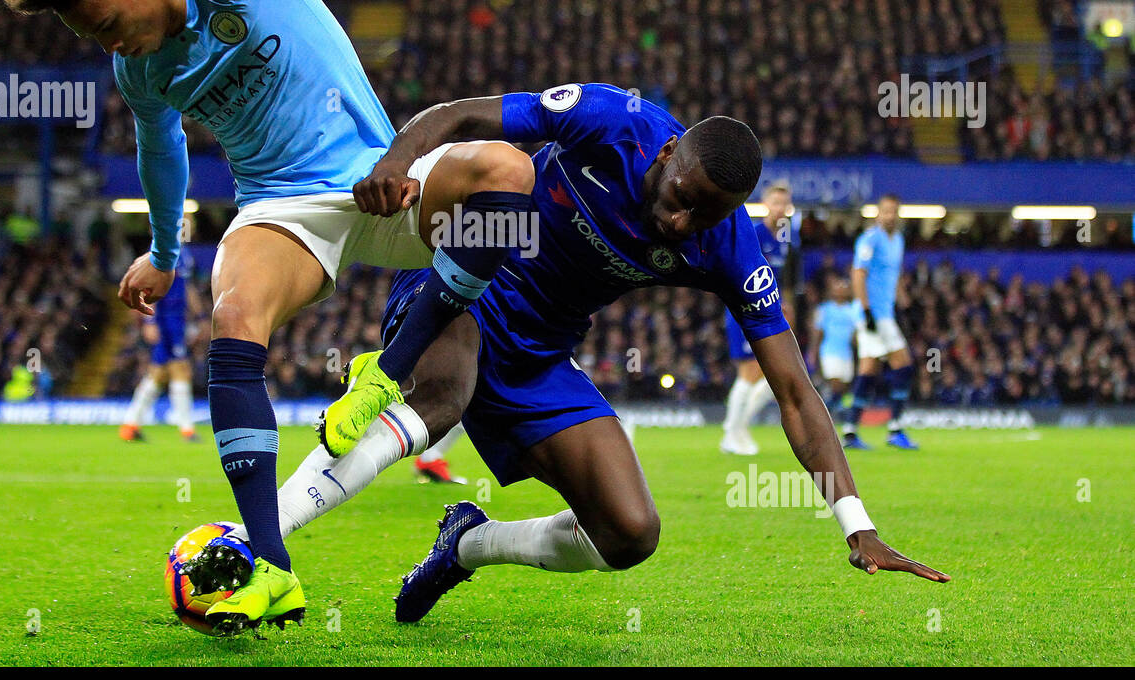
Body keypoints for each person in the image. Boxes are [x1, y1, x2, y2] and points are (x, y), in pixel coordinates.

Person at [0, 0, 534, 633]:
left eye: (109, 24)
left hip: (377, 179)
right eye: (94, 39)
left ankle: (386, 374)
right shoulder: (141, 73)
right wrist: (163, 252)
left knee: (506, 171)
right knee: (233, 311)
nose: (111, 47)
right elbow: (162, 150)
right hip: (281, 209)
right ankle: (274, 570)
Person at [185, 84, 948, 620]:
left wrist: (857, 523)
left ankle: (467, 545)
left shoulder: (728, 243)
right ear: (669, 151)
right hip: (465, 282)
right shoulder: (612, 119)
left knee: (629, 533)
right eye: (683, 196)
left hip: (543, 354)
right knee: (442, 393)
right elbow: (461, 115)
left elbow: (793, 390)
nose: (684, 223)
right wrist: (395, 161)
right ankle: (253, 544)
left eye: (706, 214)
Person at [719, 182, 796, 455]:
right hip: (745, 311)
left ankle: (736, 429)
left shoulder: (787, 237)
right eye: (775, 203)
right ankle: (732, 432)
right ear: (766, 205)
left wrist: (786, 305)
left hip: (769, 312)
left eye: (784, 204)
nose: (780, 209)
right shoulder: (753, 232)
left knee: (769, 374)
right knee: (750, 372)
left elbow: (785, 278)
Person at [840, 195, 917, 450]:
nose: (889, 216)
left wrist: (905, 305)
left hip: (885, 312)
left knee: (869, 370)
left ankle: (850, 431)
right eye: (885, 211)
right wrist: (867, 311)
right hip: (873, 314)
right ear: (878, 214)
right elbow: (858, 274)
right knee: (903, 365)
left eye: (894, 211)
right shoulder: (870, 239)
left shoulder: (898, 241)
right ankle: (895, 428)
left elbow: (893, 277)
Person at [120, 243, 201, 442]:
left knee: (158, 374)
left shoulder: (184, 252)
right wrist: (150, 320)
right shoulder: (162, 245)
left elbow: (186, 287)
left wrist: (200, 316)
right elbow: (150, 285)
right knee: (180, 369)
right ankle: (187, 430)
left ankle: (130, 426)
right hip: (166, 320)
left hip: (178, 320)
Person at [809, 274, 860, 441]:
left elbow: (855, 334)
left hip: (846, 353)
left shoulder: (852, 309)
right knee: (836, 385)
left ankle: (827, 421)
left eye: (844, 287)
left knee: (844, 389)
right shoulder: (824, 309)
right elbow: (817, 332)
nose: (841, 290)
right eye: (838, 287)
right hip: (829, 352)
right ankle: (821, 423)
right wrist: (813, 352)